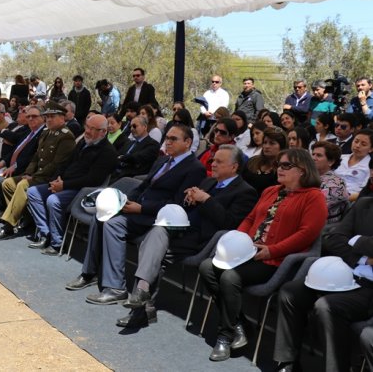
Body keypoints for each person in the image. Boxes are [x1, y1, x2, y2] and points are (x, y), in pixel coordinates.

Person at [199, 148, 327, 362]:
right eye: (279, 164)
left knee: (230, 277)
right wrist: (237, 242)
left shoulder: (314, 197)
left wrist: (271, 250)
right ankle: (240, 324)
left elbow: (306, 235)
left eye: (286, 165)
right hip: (248, 252)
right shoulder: (270, 191)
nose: (279, 169)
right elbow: (250, 219)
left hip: (278, 260)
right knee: (207, 267)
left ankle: (225, 335)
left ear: (303, 170)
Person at [66, 124, 206, 305]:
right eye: (167, 138)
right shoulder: (163, 161)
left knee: (112, 224)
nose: (168, 142)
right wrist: (122, 202)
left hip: (158, 218)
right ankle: (89, 273)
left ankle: (116, 287)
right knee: (101, 215)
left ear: (187, 142)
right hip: (137, 210)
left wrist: (141, 208)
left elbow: (178, 204)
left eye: (173, 139)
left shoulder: (194, 168)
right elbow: (142, 187)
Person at [120, 145, 257, 328]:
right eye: (213, 160)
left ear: (234, 167)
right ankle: (142, 294)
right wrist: (189, 199)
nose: (213, 164)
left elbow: (229, 224)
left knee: (153, 249)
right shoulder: (208, 182)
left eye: (218, 161)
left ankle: (141, 306)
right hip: (180, 230)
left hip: (203, 240)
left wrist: (206, 200)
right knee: (157, 232)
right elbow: (186, 208)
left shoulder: (245, 192)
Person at [273, 196, 373, 372]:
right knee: (291, 292)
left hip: (369, 289)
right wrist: (364, 258)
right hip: (343, 273)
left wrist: (357, 240)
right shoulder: (364, 204)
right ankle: (288, 363)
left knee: (327, 306)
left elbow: (347, 240)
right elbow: (333, 239)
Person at [26, 114, 118, 254]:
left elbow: (93, 180)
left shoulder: (108, 152)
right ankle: (46, 234)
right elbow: (66, 163)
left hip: (82, 191)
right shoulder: (84, 143)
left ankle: (57, 243)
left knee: (53, 200)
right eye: (87, 126)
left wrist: (64, 185)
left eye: (93, 129)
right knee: (33, 192)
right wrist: (57, 178)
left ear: (103, 132)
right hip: (64, 183)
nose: (87, 131)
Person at [0, 101, 76, 240]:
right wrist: (28, 173)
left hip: (49, 177)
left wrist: (32, 177)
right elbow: (35, 157)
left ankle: (8, 225)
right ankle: (24, 218)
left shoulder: (66, 136)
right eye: (48, 116)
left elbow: (56, 165)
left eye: (53, 116)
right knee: (7, 184)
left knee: (22, 185)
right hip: (35, 174)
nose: (49, 119)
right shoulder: (47, 132)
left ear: (62, 118)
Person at [310, 140, 350, 223]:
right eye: (313, 154)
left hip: (324, 229)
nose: (313, 158)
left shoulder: (336, 184)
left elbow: (315, 209)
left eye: (319, 155)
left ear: (331, 161)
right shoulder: (307, 176)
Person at [242, 127, 287, 195]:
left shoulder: (284, 168)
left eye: (272, 143)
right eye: (265, 142)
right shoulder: (252, 161)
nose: (266, 146)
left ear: (282, 147)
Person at [335, 128, 373, 199]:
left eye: (363, 144)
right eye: (356, 141)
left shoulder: (370, 166)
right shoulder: (340, 157)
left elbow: (363, 192)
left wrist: (342, 198)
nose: (358, 146)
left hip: (351, 201)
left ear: (371, 149)